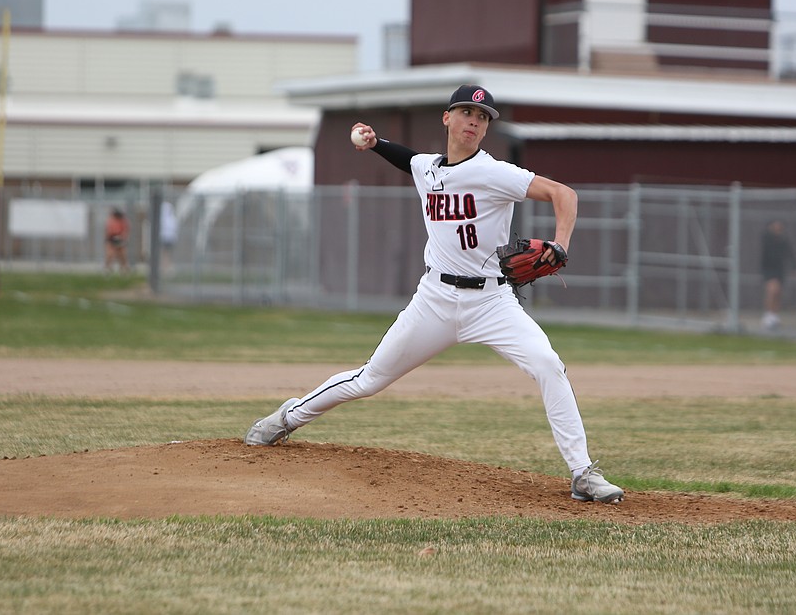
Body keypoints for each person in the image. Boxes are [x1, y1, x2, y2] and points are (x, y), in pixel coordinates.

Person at [245, 85, 624, 504]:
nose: (474, 122)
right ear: (447, 118)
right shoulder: (428, 168)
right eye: (466, 113)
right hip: (434, 300)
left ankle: (582, 473)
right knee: (369, 379)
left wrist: (561, 243)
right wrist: (375, 144)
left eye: (482, 118)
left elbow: (562, 193)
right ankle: (287, 417)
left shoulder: (495, 172)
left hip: (493, 302)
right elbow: (409, 160)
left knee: (548, 364)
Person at [760, 219, 796, 331]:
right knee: (772, 290)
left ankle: (774, 315)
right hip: (769, 269)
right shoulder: (767, 238)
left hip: (780, 269)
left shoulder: (783, 240)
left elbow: (790, 253)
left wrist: (795, 267)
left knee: (778, 292)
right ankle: (768, 314)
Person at [104, 208, 130, 274]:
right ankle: (108, 269)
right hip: (112, 239)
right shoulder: (111, 220)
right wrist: (112, 237)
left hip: (120, 239)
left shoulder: (123, 220)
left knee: (122, 255)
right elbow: (109, 230)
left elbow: (125, 230)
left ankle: (124, 269)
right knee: (110, 254)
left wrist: (121, 237)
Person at [159, 199, 178, 273]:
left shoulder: (170, 218)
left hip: (168, 238)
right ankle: (164, 266)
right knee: (164, 253)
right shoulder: (165, 218)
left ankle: (166, 266)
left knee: (166, 253)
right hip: (164, 238)